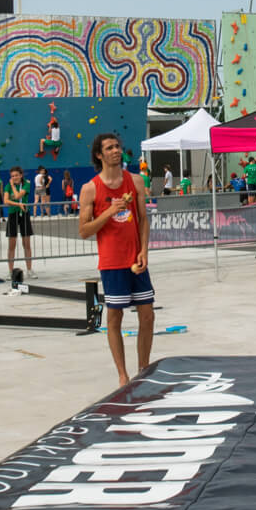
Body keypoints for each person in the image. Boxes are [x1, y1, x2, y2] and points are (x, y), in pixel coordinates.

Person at [78, 132, 152, 386]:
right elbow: (84, 230)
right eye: (109, 148)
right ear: (99, 155)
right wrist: (109, 211)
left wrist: (144, 250)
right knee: (115, 317)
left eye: (118, 146)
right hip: (112, 262)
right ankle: (122, 374)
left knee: (147, 313)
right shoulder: (90, 189)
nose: (116, 151)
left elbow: (143, 219)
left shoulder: (136, 181)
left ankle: (144, 367)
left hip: (136, 258)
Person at [3, 168, 35, 270]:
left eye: (16, 175)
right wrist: (18, 204)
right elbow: (5, 201)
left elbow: (17, 196)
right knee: (12, 244)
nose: (14, 178)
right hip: (13, 214)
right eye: (12, 176)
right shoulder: (8, 186)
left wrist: (13, 187)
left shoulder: (26, 184)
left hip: (24, 213)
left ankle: (29, 270)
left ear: (21, 175)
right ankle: (10, 271)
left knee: (26, 244)